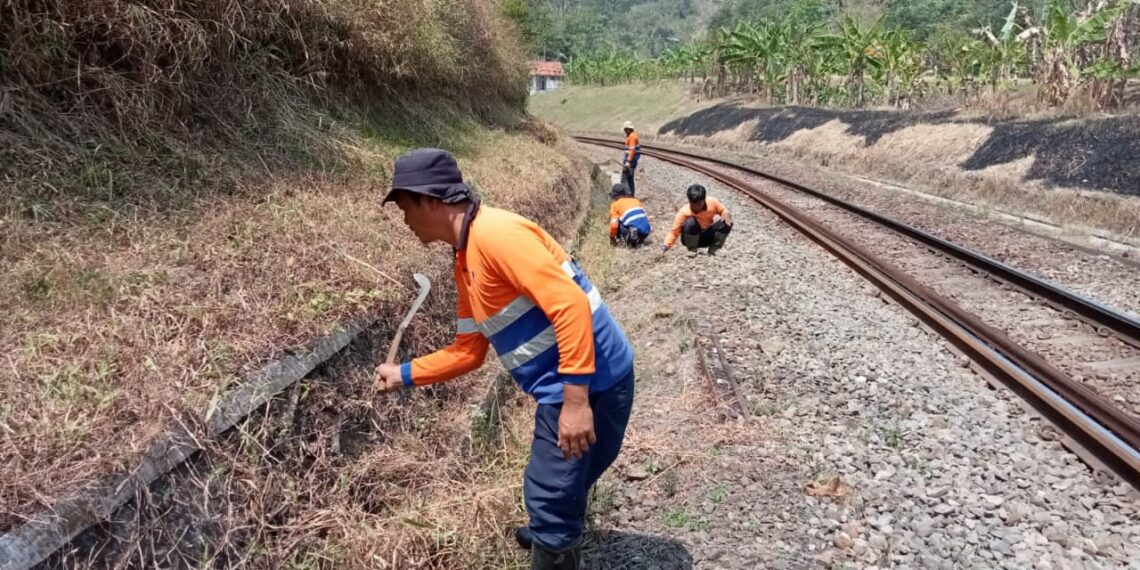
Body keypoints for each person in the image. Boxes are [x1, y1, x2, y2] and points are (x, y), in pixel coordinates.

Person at [374, 148, 636, 570]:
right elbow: (468, 352)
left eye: (406, 208)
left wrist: (574, 402)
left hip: (592, 382)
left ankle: (553, 537)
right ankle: (552, 528)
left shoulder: (496, 236)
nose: (405, 220)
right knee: (558, 487)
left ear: (430, 200)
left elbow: (568, 305)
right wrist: (403, 374)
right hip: (576, 383)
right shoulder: (465, 260)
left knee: (551, 491)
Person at [660, 184, 734, 255]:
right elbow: (674, 231)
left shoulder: (712, 202)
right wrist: (666, 246)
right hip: (690, 239)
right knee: (690, 222)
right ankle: (692, 250)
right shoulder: (684, 212)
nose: (696, 207)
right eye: (693, 204)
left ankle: (713, 250)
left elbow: (723, 210)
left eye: (699, 204)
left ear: (704, 199)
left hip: (707, 236)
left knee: (727, 221)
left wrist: (726, 213)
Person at [608, 183, 651, 247]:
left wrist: (612, 236)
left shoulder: (615, 205)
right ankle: (640, 238)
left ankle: (628, 236)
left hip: (632, 228)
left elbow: (614, 224)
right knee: (636, 220)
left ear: (614, 196)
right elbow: (644, 216)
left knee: (618, 221)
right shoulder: (636, 201)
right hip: (646, 229)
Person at [620, 121, 641, 196]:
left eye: (625, 129)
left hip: (631, 161)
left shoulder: (632, 137)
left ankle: (628, 196)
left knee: (624, 178)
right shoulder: (633, 135)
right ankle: (631, 196)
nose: (624, 131)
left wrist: (628, 161)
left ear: (628, 129)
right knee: (630, 179)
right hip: (633, 160)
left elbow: (632, 150)